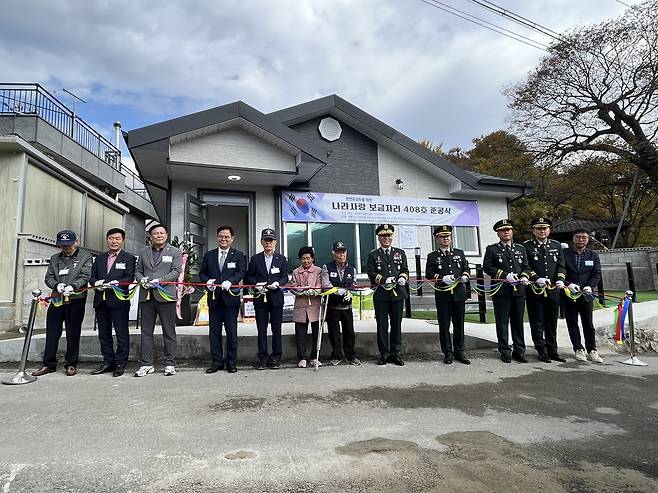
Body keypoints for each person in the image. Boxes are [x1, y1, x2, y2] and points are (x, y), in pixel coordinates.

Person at [32, 230, 93, 377]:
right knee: (52, 331)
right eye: (63, 245)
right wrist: (56, 285)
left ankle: (71, 364)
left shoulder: (85, 256)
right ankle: (49, 364)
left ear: (76, 242)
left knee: (73, 332)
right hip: (57, 298)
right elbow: (49, 277)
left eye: (69, 245)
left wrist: (73, 286)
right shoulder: (54, 258)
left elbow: (86, 275)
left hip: (76, 299)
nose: (66, 248)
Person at [134, 224, 183, 377]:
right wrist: (142, 280)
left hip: (166, 296)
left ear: (166, 235)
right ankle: (146, 364)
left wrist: (159, 281)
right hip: (147, 296)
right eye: (156, 233)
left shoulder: (175, 252)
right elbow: (138, 270)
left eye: (162, 233)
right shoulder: (143, 252)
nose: (159, 235)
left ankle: (169, 363)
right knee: (146, 332)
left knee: (169, 332)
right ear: (151, 236)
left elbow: (176, 271)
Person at [483, 219, 532, 363]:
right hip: (501, 291)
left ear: (512, 231)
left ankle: (519, 350)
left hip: (519, 292)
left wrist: (524, 276)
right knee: (502, 322)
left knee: (518, 322)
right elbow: (487, 267)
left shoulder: (520, 248)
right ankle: (504, 350)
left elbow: (526, 267)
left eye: (509, 229)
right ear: (498, 233)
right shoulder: (492, 249)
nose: (506, 232)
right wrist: (505, 276)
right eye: (503, 230)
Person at [88, 228, 136, 377]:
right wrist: (97, 282)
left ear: (122, 240)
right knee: (104, 334)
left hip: (119, 300)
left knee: (122, 334)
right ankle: (108, 361)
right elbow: (92, 276)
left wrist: (117, 282)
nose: (114, 241)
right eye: (111, 238)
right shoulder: (100, 258)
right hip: (101, 301)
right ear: (107, 239)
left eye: (117, 239)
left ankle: (120, 363)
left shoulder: (128, 258)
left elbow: (130, 277)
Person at [199, 225, 246, 374]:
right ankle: (217, 362)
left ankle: (231, 363)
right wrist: (207, 282)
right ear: (217, 237)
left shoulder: (238, 255)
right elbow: (202, 273)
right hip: (214, 299)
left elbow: (241, 272)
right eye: (221, 236)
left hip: (230, 300)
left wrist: (231, 281)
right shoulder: (209, 255)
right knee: (214, 333)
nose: (223, 239)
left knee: (232, 333)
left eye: (227, 236)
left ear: (232, 238)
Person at [424, 225, 471, 365]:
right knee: (444, 326)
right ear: (437, 239)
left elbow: (466, 268)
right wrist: (440, 278)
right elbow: (429, 274)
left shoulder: (459, 253)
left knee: (459, 325)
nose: (446, 239)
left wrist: (465, 276)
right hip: (443, 295)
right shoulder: (432, 256)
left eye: (448, 236)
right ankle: (448, 353)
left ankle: (460, 352)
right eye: (442, 237)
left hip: (459, 294)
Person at [523, 217, 567, 363]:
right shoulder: (526, 246)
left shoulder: (556, 245)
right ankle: (541, 350)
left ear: (549, 229)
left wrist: (560, 279)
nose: (542, 231)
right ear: (533, 230)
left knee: (551, 321)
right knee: (537, 321)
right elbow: (526, 266)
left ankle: (553, 350)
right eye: (539, 228)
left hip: (553, 290)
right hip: (535, 290)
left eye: (545, 228)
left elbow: (561, 265)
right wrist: (536, 278)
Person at [245, 228, 289, 370]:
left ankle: (276, 357)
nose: (268, 243)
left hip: (276, 298)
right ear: (261, 242)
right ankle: (263, 358)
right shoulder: (255, 259)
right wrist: (256, 284)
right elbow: (248, 277)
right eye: (266, 240)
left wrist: (278, 283)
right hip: (260, 298)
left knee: (277, 329)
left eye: (271, 240)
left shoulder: (281, 259)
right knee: (261, 330)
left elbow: (284, 277)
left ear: (275, 242)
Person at [366, 224, 409, 366]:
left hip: (398, 294)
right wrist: (384, 280)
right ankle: (384, 353)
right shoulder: (373, 255)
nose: (387, 238)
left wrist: (403, 277)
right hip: (381, 295)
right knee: (382, 325)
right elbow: (371, 273)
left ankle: (396, 353)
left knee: (397, 324)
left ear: (392, 237)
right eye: (384, 236)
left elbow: (405, 269)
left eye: (389, 236)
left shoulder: (400, 252)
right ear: (379, 238)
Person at [563, 229, 603, 363]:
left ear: (588, 239)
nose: (581, 240)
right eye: (578, 237)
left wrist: (590, 286)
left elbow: (596, 274)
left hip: (586, 295)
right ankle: (578, 349)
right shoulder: (565, 254)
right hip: (570, 294)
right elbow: (560, 272)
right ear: (573, 238)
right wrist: (567, 284)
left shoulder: (593, 255)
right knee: (572, 322)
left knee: (588, 323)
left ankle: (592, 349)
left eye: (584, 237)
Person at [321, 241, 360, 366]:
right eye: (338, 252)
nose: (341, 254)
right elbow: (326, 285)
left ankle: (351, 356)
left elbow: (353, 284)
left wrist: (352, 290)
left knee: (349, 332)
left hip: (347, 306)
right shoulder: (327, 267)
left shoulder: (352, 269)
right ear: (333, 254)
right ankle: (337, 355)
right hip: (332, 306)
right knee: (334, 333)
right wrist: (340, 291)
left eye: (343, 252)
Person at [290, 246, 322, 368]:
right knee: (300, 333)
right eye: (303, 258)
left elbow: (320, 284)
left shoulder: (318, 270)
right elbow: (292, 286)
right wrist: (301, 290)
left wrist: (314, 291)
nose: (306, 261)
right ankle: (302, 357)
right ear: (300, 259)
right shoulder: (295, 272)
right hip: (301, 306)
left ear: (313, 258)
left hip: (315, 305)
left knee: (316, 333)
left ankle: (314, 356)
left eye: (308, 258)